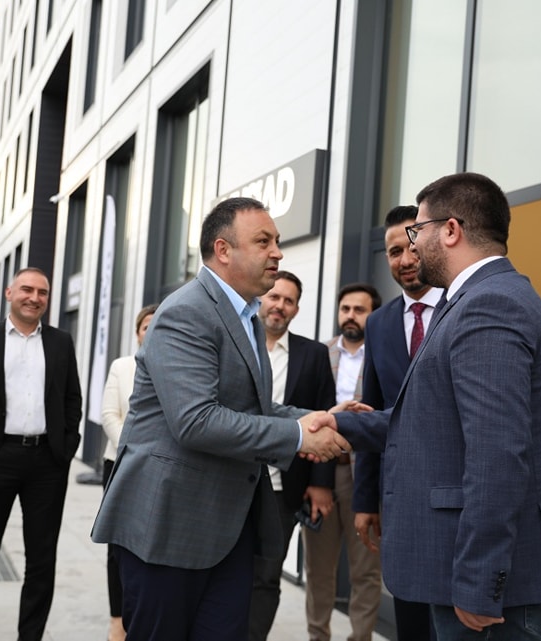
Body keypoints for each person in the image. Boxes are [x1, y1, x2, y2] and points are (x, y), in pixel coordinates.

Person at [317, 172, 541, 639]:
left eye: (417, 231)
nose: (412, 246)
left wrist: (480, 582)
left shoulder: (490, 305)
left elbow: (497, 455)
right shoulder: (472, 300)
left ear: (450, 230)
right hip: (460, 565)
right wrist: (342, 426)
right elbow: (434, 423)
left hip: (490, 589)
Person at [91, 196, 349, 641]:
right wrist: (296, 437)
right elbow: (196, 421)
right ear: (223, 249)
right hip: (170, 528)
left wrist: (323, 419)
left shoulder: (247, 316)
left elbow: (254, 407)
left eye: (277, 241)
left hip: (227, 529)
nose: (278, 252)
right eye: (264, 241)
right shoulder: (186, 311)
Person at [0, 267, 83, 641]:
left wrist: (66, 447)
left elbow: (72, 398)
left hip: (47, 462)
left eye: (42, 292)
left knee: (41, 560)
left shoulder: (61, 342)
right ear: (9, 292)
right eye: (27, 289)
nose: (34, 297)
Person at [354, 205, 444, 639]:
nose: (405, 260)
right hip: (400, 499)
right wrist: (365, 500)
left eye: (411, 247)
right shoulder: (378, 323)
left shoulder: (463, 306)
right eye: (393, 252)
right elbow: (372, 412)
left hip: (455, 497)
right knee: (411, 620)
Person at [249, 271, 336, 641]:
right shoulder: (238, 341)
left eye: (288, 301)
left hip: (283, 486)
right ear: (261, 300)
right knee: (226, 569)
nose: (279, 306)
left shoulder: (313, 354)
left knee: (267, 575)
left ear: (297, 309)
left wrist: (321, 484)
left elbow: (324, 416)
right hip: (234, 478)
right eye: (274, 297)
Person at [304, 283, 382, 641]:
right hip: (321, 472)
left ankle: (360, 637)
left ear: (373, 315)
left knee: (366, 568)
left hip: (364, 474)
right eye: (345, 309)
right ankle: (317, 635)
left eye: (359, 310)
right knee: (319, 567)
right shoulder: (319, 354)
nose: (350, 316)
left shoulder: (382, 353)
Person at [100, 303, 158, 641]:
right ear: (137, 333)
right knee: (118, 545)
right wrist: (137, 451)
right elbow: (110, 415)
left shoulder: (178, 367)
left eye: (158, 324)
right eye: (146, 326)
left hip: (159, 469)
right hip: (121, 464)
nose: (152, 330)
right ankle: (117, 619)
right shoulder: (122, 367)